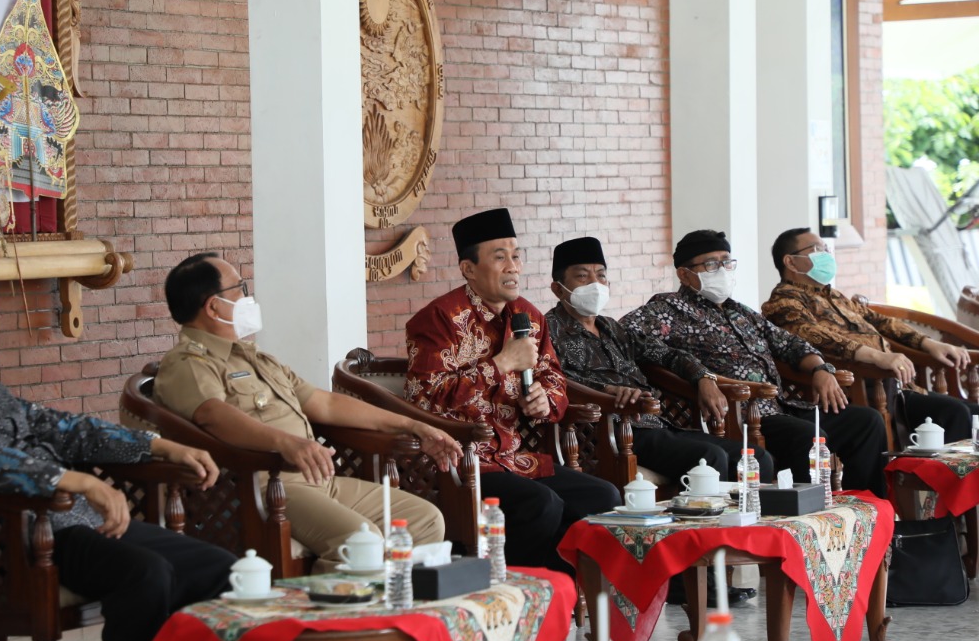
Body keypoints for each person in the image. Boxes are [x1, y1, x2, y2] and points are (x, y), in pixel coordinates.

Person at [0, 274, 233, 641]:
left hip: (78, 525)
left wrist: (159, 446)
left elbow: (64, 428)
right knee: (146, 574)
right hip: (25, 538)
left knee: (221, 569)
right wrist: (80, 483)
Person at [154, 253, 459, 574]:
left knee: (425, 519)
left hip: (317, 479)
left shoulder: (254, 357)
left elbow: (325, 404)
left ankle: (396, 600)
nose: (247, 297)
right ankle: (328, 604)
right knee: (362, 541)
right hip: (265, 484)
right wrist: (286, 443)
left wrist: (412, 424)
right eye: (239, 288)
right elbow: (213, 415)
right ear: (214, 307)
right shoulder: (188, 363)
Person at [404, 209, 620, 575]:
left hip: (515, 457)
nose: (513, 267)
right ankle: (510, 588)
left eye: (517, 256)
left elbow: (554, 377)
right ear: (469, 269)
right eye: (500, 257)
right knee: (542, 504)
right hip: (459, 462)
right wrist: (501, 364)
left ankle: (557, 587)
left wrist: (544, 400)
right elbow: (424, 397)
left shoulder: (528, 317)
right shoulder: (438, 319)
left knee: (604, 497)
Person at [622, 230, 888, 495]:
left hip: (781, 405)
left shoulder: (739, 311)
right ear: (684, 274)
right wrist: (699, 374)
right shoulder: (668, 309)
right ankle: (804, 514)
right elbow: (626, 335)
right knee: (807, 435)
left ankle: (864, 506)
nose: (722, 270)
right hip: (739, 412)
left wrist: (820, 368)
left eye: (727, 262)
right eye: (711, 264)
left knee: (866, 421)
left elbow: (789, 343)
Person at [545, 236, 775, 484]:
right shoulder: (548, 332)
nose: (595, 284)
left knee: (755, 457)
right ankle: (704, 511)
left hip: (656, 423)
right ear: (558, 289)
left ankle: (746, 510)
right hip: (609, 430)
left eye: (601, 276)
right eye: (582, 276)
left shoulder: (612, 328)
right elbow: (554, 379)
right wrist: (607, 390)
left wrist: (704, 377)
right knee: (709, 458)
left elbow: (669, 354)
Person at [763, 227, 977, 442]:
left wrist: (929, 344)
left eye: (827, 249)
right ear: (791, 262)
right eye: (818, 250)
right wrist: (877, 356)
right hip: (863, 389)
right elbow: (813, 335)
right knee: (955, 413)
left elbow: (881, 321)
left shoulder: (834, 296)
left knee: (974, 413)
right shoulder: (783, 303)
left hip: (897, 386)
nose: (827, 255)